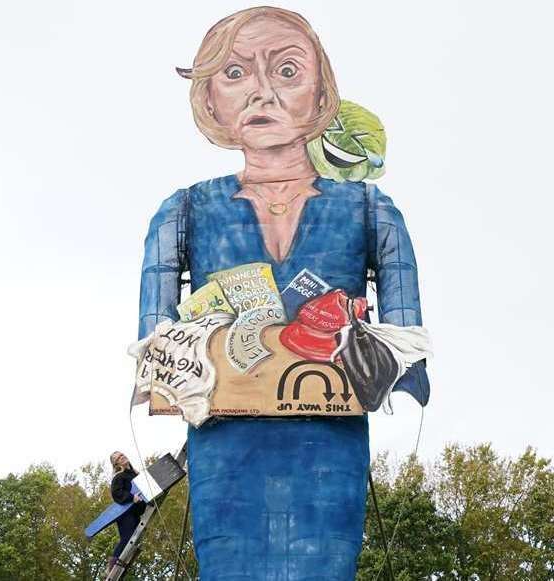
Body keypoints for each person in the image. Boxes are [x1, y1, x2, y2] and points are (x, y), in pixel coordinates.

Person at [137, 7, 429, 580]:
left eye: (288, 71)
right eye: (237, 73)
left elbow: (406, 332)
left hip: (330, 438)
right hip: (224, 436)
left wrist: (396, 372)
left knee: (326, 563)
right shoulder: (183, 211)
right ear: (209, 98)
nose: (262, 93)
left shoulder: (372, 210)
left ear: (322, 92)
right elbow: (155, 334)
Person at [106, 451, 146, 575]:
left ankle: (123, 567)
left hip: (135, 513)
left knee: (135, 539)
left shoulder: (135, 474)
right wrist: (131, 497)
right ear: (116, 463)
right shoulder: (119, 476)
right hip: (125, 514)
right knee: (127, 538)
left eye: (122, 455)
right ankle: (112, 567)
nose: (122, 457)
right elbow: (116, 493)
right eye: (118, 458)